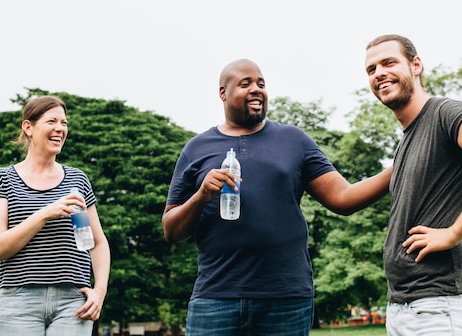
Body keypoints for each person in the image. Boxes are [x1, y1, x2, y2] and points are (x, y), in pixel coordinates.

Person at [162, 58, 392, 336]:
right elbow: (171, 231)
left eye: (261, 84)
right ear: (223, 92)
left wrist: (398, 166)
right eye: (245, 84)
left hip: (286, 298)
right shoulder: (196, 149)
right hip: (216, 296)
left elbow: (343, 198)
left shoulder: (294, 141)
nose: (256, 89)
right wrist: (201, 196)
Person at [364, 34, 462, 336]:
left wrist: (454, 233)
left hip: (440, 306)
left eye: (388, 62)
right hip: (404, 306)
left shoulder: (444, 114)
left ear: (416, 65)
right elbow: (347, 197)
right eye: (371, 69)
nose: (379, 73)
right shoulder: (408, 139)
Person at [0, 95, 110, 336]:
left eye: (64, 123)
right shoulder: (2, 179)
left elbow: (97, 242)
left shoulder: (77, 180)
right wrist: (44, 214)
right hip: (18, 301)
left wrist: (99, 291)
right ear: (28, 127)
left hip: (73, 302)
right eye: (51, 121)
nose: (60, 129)